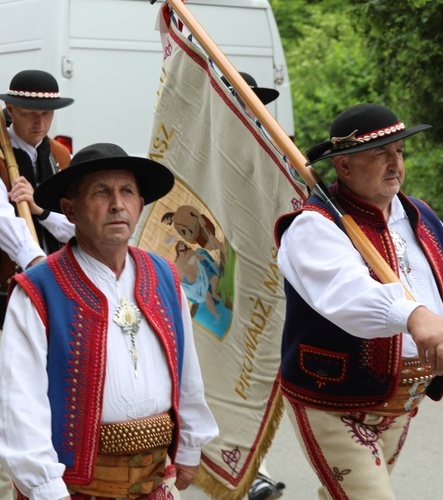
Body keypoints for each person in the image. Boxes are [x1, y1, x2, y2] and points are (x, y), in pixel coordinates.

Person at [275, 103, 443, 499]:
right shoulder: (314, 225)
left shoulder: (419, 215)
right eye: (379, 154)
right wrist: (413, 314)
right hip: (332, 401)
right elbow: (346, 292)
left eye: (399, 152)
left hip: (401, 401)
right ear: (344, 167)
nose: (394, 164)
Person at [0, 143, 219, 499]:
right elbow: (20, 404)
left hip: (155, 481)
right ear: (70, 210)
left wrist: (191, 445)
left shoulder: (163, 275)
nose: (118, 204)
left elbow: (187, 369)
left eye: (127, 192)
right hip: (71, 488)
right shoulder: (39, 290)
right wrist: (46, 489)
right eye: (102, 192)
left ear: (139, 205)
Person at [220, 70, 287, 500]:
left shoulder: (275, 153)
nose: (247, 111)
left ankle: (253, 469)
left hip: (266, 283)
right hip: (217, 284)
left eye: (252, 102)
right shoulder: (207, 154)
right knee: (220, 376)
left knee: (255, 378)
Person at [0, 69, 77, 324]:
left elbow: (79, 226)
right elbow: (4, 221)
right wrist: (40, 268)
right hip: (10, 289)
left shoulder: (61, 155)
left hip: (59, 285)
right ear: (10, 110)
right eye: (31, 114)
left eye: (47, 114)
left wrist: (40, 210)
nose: (40, 123)